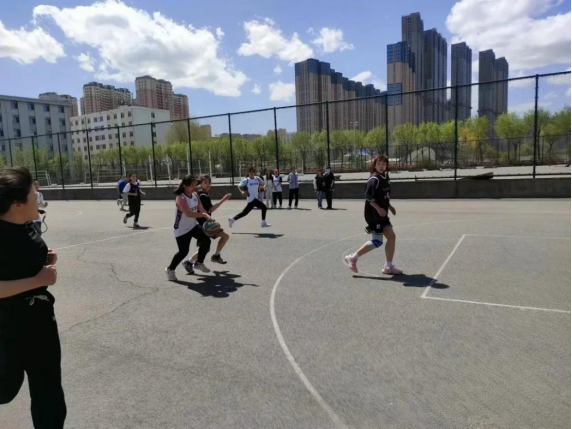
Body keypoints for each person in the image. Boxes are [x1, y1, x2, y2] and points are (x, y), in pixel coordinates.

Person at [0, 167, 67, 428]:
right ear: (17, 204)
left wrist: (44, 259)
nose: (37, 196)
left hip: (41, 322)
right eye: (33, 193)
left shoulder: (26, 224)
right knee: (5, 388)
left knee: (49, 390)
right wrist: (37, 280)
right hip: (8, 325)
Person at [344, 156, 403, 276]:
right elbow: (369, 198)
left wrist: (389, 206)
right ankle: (353, 257)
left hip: (382, 214)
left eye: (383, 164)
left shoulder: (385, 177)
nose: (381, 166)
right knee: (377, 241)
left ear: (386, 165)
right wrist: (379, 208)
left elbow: (383, 196)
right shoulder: (374, 179)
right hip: (374, 215)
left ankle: (388, 266)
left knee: (391, 237)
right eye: (379, 164)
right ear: (375, 166)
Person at [166, 176, 213, 282]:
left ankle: (199, 263)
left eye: (195, 185)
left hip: (192, 226)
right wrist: (203, 215)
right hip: (181, 229)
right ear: (185, 186)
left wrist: (207, 216)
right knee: (183, 252)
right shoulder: (180, 197)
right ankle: (170, 269)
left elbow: (201, 208)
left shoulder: (195, 194)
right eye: (191, 185)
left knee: (206, 241)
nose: (194, 187)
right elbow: (188, 213)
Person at [186, 175, 232, 269]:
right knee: (222, 238)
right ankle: (215, 256)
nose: (208, 184)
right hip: (205, 225)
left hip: (205, 222)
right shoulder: (202, 195)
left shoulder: (203, 194)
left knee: (206, 248)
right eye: (205, 182)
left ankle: (189, 262)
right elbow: (211, 209)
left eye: (209, 182)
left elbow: (209, 209)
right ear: (201, 184)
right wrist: (224, 199)